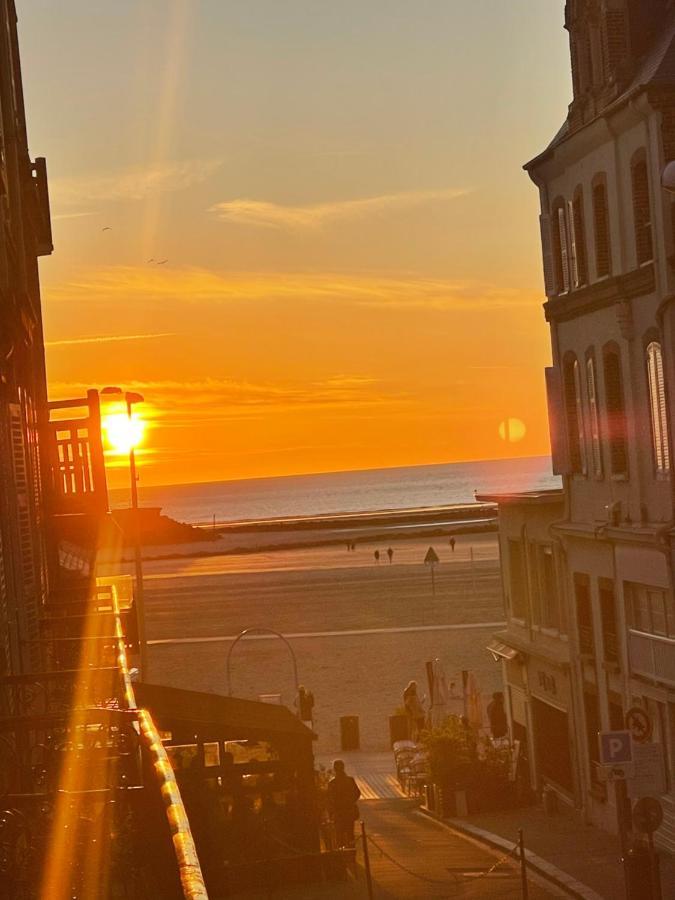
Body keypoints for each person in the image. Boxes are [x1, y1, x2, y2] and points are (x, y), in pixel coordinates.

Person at [327, 759, 361, 848]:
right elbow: (357, 793)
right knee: (350, 833)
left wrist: (331, 812)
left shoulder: (332, 783)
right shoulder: (350, 780)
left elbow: (329, 799)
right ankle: (352, 853)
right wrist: (351, 801)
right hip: (349, 810)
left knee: (339, 834)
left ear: (334, 769)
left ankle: (341, 854)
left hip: (338, 812)